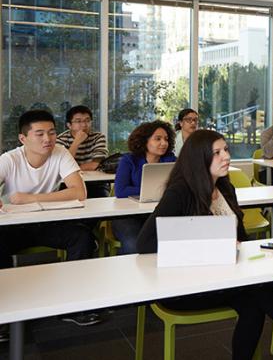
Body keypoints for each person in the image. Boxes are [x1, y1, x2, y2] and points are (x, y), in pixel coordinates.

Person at [136, 130, 273, 360]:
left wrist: (253, 253)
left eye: (226, 150)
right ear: (199, 159)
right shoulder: (180, 192)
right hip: (187, 285)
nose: (226, 156)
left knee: (255, 300)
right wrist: (210, 245)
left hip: (226, 277)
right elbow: (145, 242)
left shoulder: (226, 188)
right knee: (260, 290)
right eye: (217, 153)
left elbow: (240, 239)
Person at [0, 109, 101, 326]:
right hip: (14, 227)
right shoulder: (9, 160)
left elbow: (78, 192)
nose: (48, 139)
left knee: (82, 237)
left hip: (48, 222)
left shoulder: (60, 152)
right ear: (23, 138)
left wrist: (30, 198)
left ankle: (72, 305)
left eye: (52, 132)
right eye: (39, 133)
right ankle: (5, 313)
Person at [112, 120, 176, 254]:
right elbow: (120, 190)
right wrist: (153, 190)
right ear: (144, 141)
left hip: (157, 212)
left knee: (168, 242)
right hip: (127, 215)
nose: (164, 143)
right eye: (157, 139)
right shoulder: (129, 160)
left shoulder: (171, 160)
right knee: (133, 244)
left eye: (166, 139)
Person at [56, 105, 110, 198]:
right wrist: (76, 142)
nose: (84, 125)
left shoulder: (98, 137)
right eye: (78, 121)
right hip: (68, 183)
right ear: (69, 125)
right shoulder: (60, 140)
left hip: (96, 182)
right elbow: (60, 166)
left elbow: (95, 164)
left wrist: (70, 170)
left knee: (101, 199)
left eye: (87, 120)